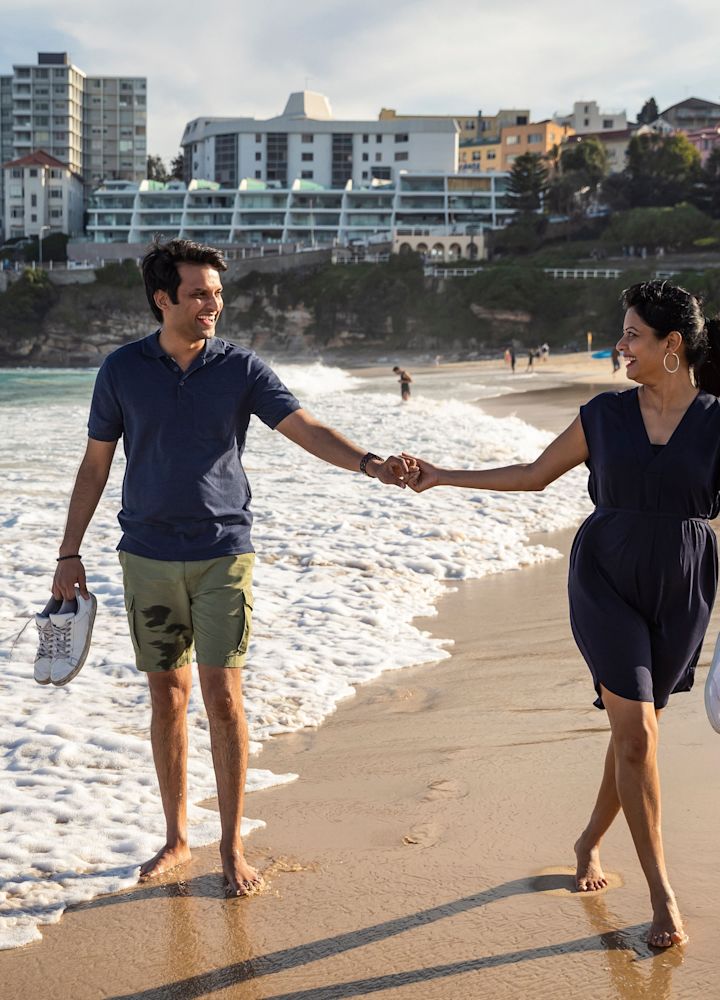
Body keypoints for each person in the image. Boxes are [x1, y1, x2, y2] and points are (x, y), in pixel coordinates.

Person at [51, 238, 412, 897]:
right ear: (165, 299)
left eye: (217, 292)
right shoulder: (121, 371)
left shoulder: (240, 368)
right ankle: (176, 838)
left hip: (223, 554)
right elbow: (95, 466)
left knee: (222, 697)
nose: (213, 302)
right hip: (147, 557)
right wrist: (67, 552)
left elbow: (305, 428)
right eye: (199, 293)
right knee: (168, 696)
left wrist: (369, 463)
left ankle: (231, 844)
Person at [404, 280, 720, 948]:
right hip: (605, 576)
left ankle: (587, 842)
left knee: (638, 734)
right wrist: (443, 475)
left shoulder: (719, 421)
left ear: (672, 345)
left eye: (634, 333)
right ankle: (663, 898)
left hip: (682, 584)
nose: (621, 345)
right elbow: (531, 474)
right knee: (635, 735)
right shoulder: (604, 415)